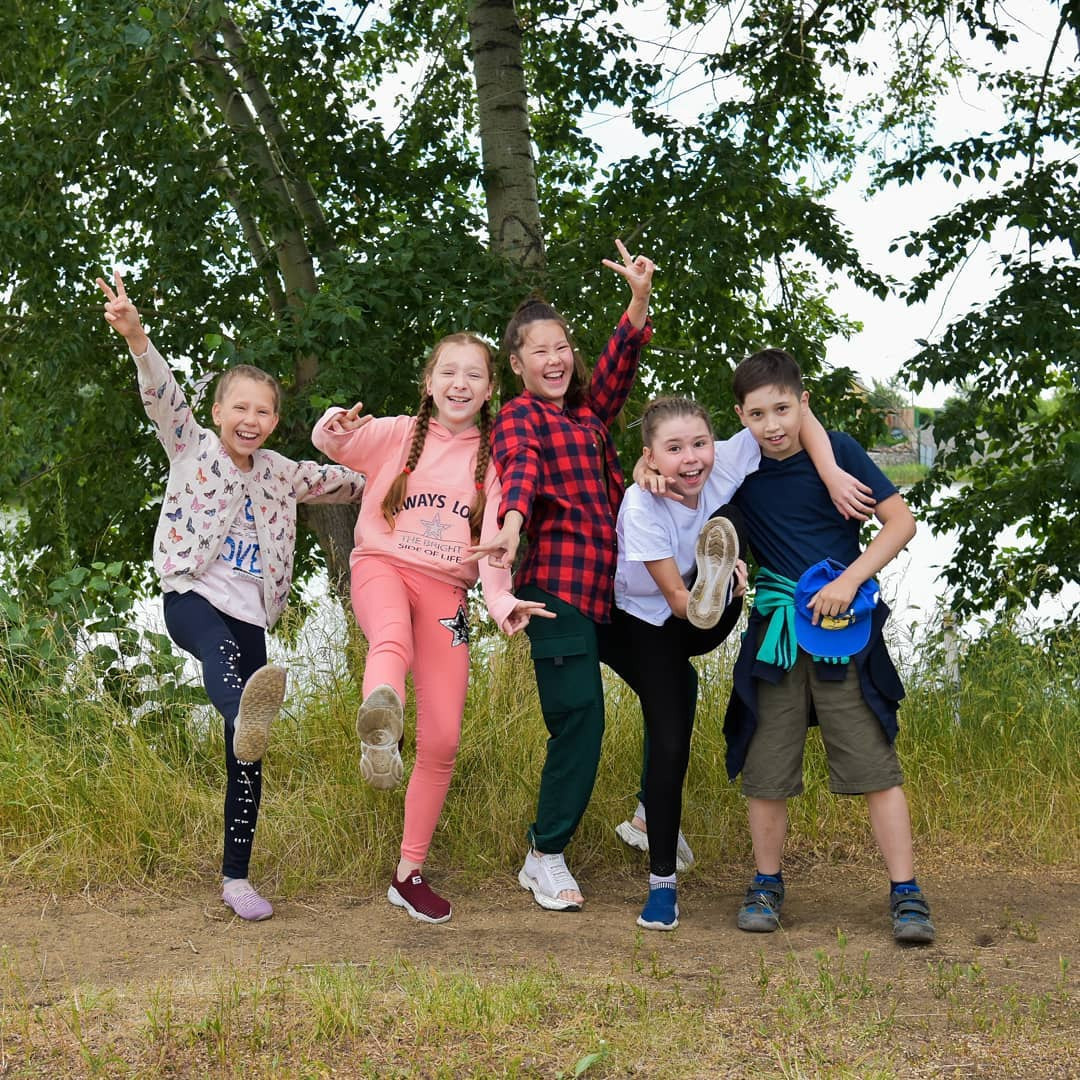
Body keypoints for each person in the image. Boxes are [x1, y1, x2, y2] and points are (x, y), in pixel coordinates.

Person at [97, 271, 365, 922]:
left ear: (275, 421)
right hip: (191, 597)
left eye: (264, 411)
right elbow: (161, 394)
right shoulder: (188, 444)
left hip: (253, 619)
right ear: (217, 413)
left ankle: (237, 876)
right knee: (221, 661)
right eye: (239, 407)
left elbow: (344, 482)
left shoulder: (280, 472)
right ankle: (245, 708)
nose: (251, 419)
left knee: (245, 753)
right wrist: (136, 336)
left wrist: (388, 461)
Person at [311, 334, 551, 924]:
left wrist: (501, 604)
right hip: (382, 567)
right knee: (390, 637)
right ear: (429, 381)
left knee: (443, 740)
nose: (460, 383)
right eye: (449, 372)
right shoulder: (394, 433)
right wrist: (336, 423)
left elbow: (496, 546)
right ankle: (380, 731)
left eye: (474, 374)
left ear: (490, 389)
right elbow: (329, 442)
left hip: (447, 590)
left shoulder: (494, 460)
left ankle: (407, 872)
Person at [614, 395, 877, 930]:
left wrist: (829, 474)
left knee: (738, 506)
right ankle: (662, 883)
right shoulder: (641, 505)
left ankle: (725, 564)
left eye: (700, 444)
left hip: (715, 607)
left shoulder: (728, 459)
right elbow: (677, 605)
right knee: (669, 741)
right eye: (673, 450)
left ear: (717, 441)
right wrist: (708, 596)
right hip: (657, 622)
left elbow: (797, 418)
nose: (691, 460)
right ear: (650, 457)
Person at [724, 347, 935, 944]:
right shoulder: (735, 468)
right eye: (758, 413)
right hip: (775, 636)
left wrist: (849, 580)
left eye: (784, 409)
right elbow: (683, 478)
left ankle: (906, 892)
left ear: (803, 404)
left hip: (846, 630)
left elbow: (901, 522)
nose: (773, 425)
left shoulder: (838, 452)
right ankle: (766, 882)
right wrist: (646, 468)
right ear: (740, 415)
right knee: (765, 768)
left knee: (875, 764)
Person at [468, 239, 655, 912]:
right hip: (557, 592)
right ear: (517, 366)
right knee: (580, 719)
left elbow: (617, 367)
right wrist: (510, 525)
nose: (556, 358)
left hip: (612, 595)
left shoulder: (586, 414)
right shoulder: (520, 417)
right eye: (539, 351)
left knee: (671, 683)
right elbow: (517, 468)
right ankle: (544, 854)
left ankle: (651, 817)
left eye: (562, 346)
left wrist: (637, 300)